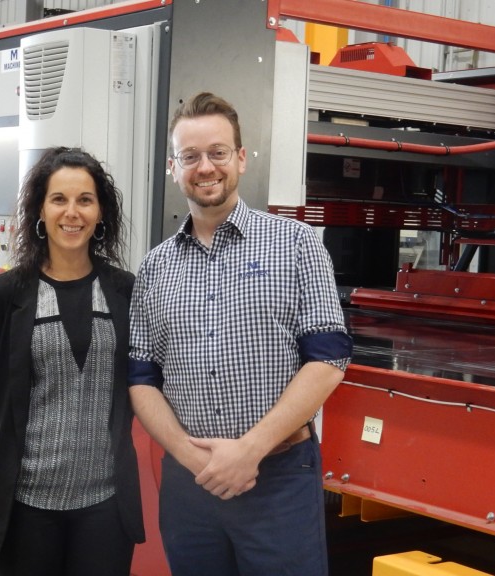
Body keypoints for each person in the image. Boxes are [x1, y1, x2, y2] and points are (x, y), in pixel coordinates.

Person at [128, 92, 353, 576]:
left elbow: (329, 358)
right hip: (191, 485)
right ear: (174, 167)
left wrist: (248, 451)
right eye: (190, 156)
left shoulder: (296, 244)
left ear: (241, 158)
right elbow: (142, 379)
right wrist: (193, 459)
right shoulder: (155, 267)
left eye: (218, 152)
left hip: (278, 480)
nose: (205, 167)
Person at [0, 147, 145, 575]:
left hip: (105, 507)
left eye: (85, 199)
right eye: (59, 199)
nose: (72, 212)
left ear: (100, 212)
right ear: (40, 211)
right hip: (25, 507)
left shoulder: (125, 292)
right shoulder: (5, 296)